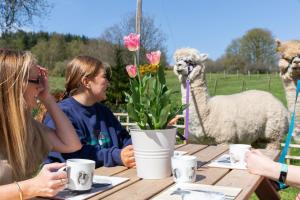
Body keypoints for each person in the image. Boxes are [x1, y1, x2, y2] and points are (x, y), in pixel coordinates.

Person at [0, 49, 82, 199]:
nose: (41, 86)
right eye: (37, 80)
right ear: (15, 85)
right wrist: (31, 187)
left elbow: (71, 144)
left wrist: (47, 98)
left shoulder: (27, 126)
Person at [44, 55, 135, 168]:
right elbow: (74, 155)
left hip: (112, 179)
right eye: (104, 77)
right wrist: (116, 156)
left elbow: (124, 140)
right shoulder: (61, 114)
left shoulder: (104, 111)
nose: (108, 83)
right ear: (86, 82)